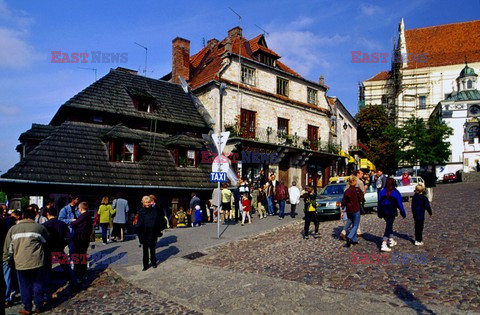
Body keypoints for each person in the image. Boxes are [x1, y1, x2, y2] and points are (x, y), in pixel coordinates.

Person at [3, 207, 49, 314]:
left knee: (24, 286)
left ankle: (27, 308)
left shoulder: (13, 229)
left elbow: (8, 247)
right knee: (38, 284)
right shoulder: (39, 228)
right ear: (35, 216)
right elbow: (46, 243)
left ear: (23, 216)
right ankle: (39, 306)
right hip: (37, 261)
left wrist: (6, 259)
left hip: (20, 262)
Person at [43, 207, 79, 302]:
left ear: (47, 214)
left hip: (48, 249)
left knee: (47, 271)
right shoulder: (62, 224)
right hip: (59, 248)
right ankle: (74, 284)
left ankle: (47, 293)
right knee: (66, 267)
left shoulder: (44, 225)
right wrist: (63, 244)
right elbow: (68, 237)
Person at [378, 178, 406, 252]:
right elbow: (400, 204)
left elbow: (379, 202)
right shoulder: (395, 192)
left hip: (384, 211)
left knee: (389, 224)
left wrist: (379, 212)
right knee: (389, 225)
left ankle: (391, 239)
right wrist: (403, 213)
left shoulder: (382, 192)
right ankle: (384, 242)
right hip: (391, 211)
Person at [135, 196, 162, 271]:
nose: (147, 204)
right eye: (145, 202)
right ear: (143, 203)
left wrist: (158, 230)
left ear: (150, 202)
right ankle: (145, 265)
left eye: (148, 202)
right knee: (145, 249)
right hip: (144, 232)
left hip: (152, 231)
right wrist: (138, 230)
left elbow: (157, 220)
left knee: (152, 248)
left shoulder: (154, 210)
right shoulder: (141, 211)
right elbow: (140, 222)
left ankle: (153, 262)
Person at [1, 210, 19, 307]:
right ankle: (7, 298)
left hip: (5, 254)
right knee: (7, 276)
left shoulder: (6, 221)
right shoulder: (7, 223)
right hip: (6, 254)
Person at [70, 202, 92, 279]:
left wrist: (73, 221)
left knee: (78, 256)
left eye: (79, 208)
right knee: (82, 255)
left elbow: (73, 224)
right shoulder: (88, 216)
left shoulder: (83, 216)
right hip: (85, 238)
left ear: (81, 208)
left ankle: (78, 273)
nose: (78, 210)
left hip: (80, 238)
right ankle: (83, 272)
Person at [341, 176, 364, 247]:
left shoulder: (347, 191)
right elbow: (362, 198)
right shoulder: (357, 189)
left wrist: (342, 210)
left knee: (351, 221)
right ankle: (350, 236)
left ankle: (354, 240)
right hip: (356, 208)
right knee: (355, 225)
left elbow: (343, 201)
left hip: (348, 209)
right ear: (354, 181)